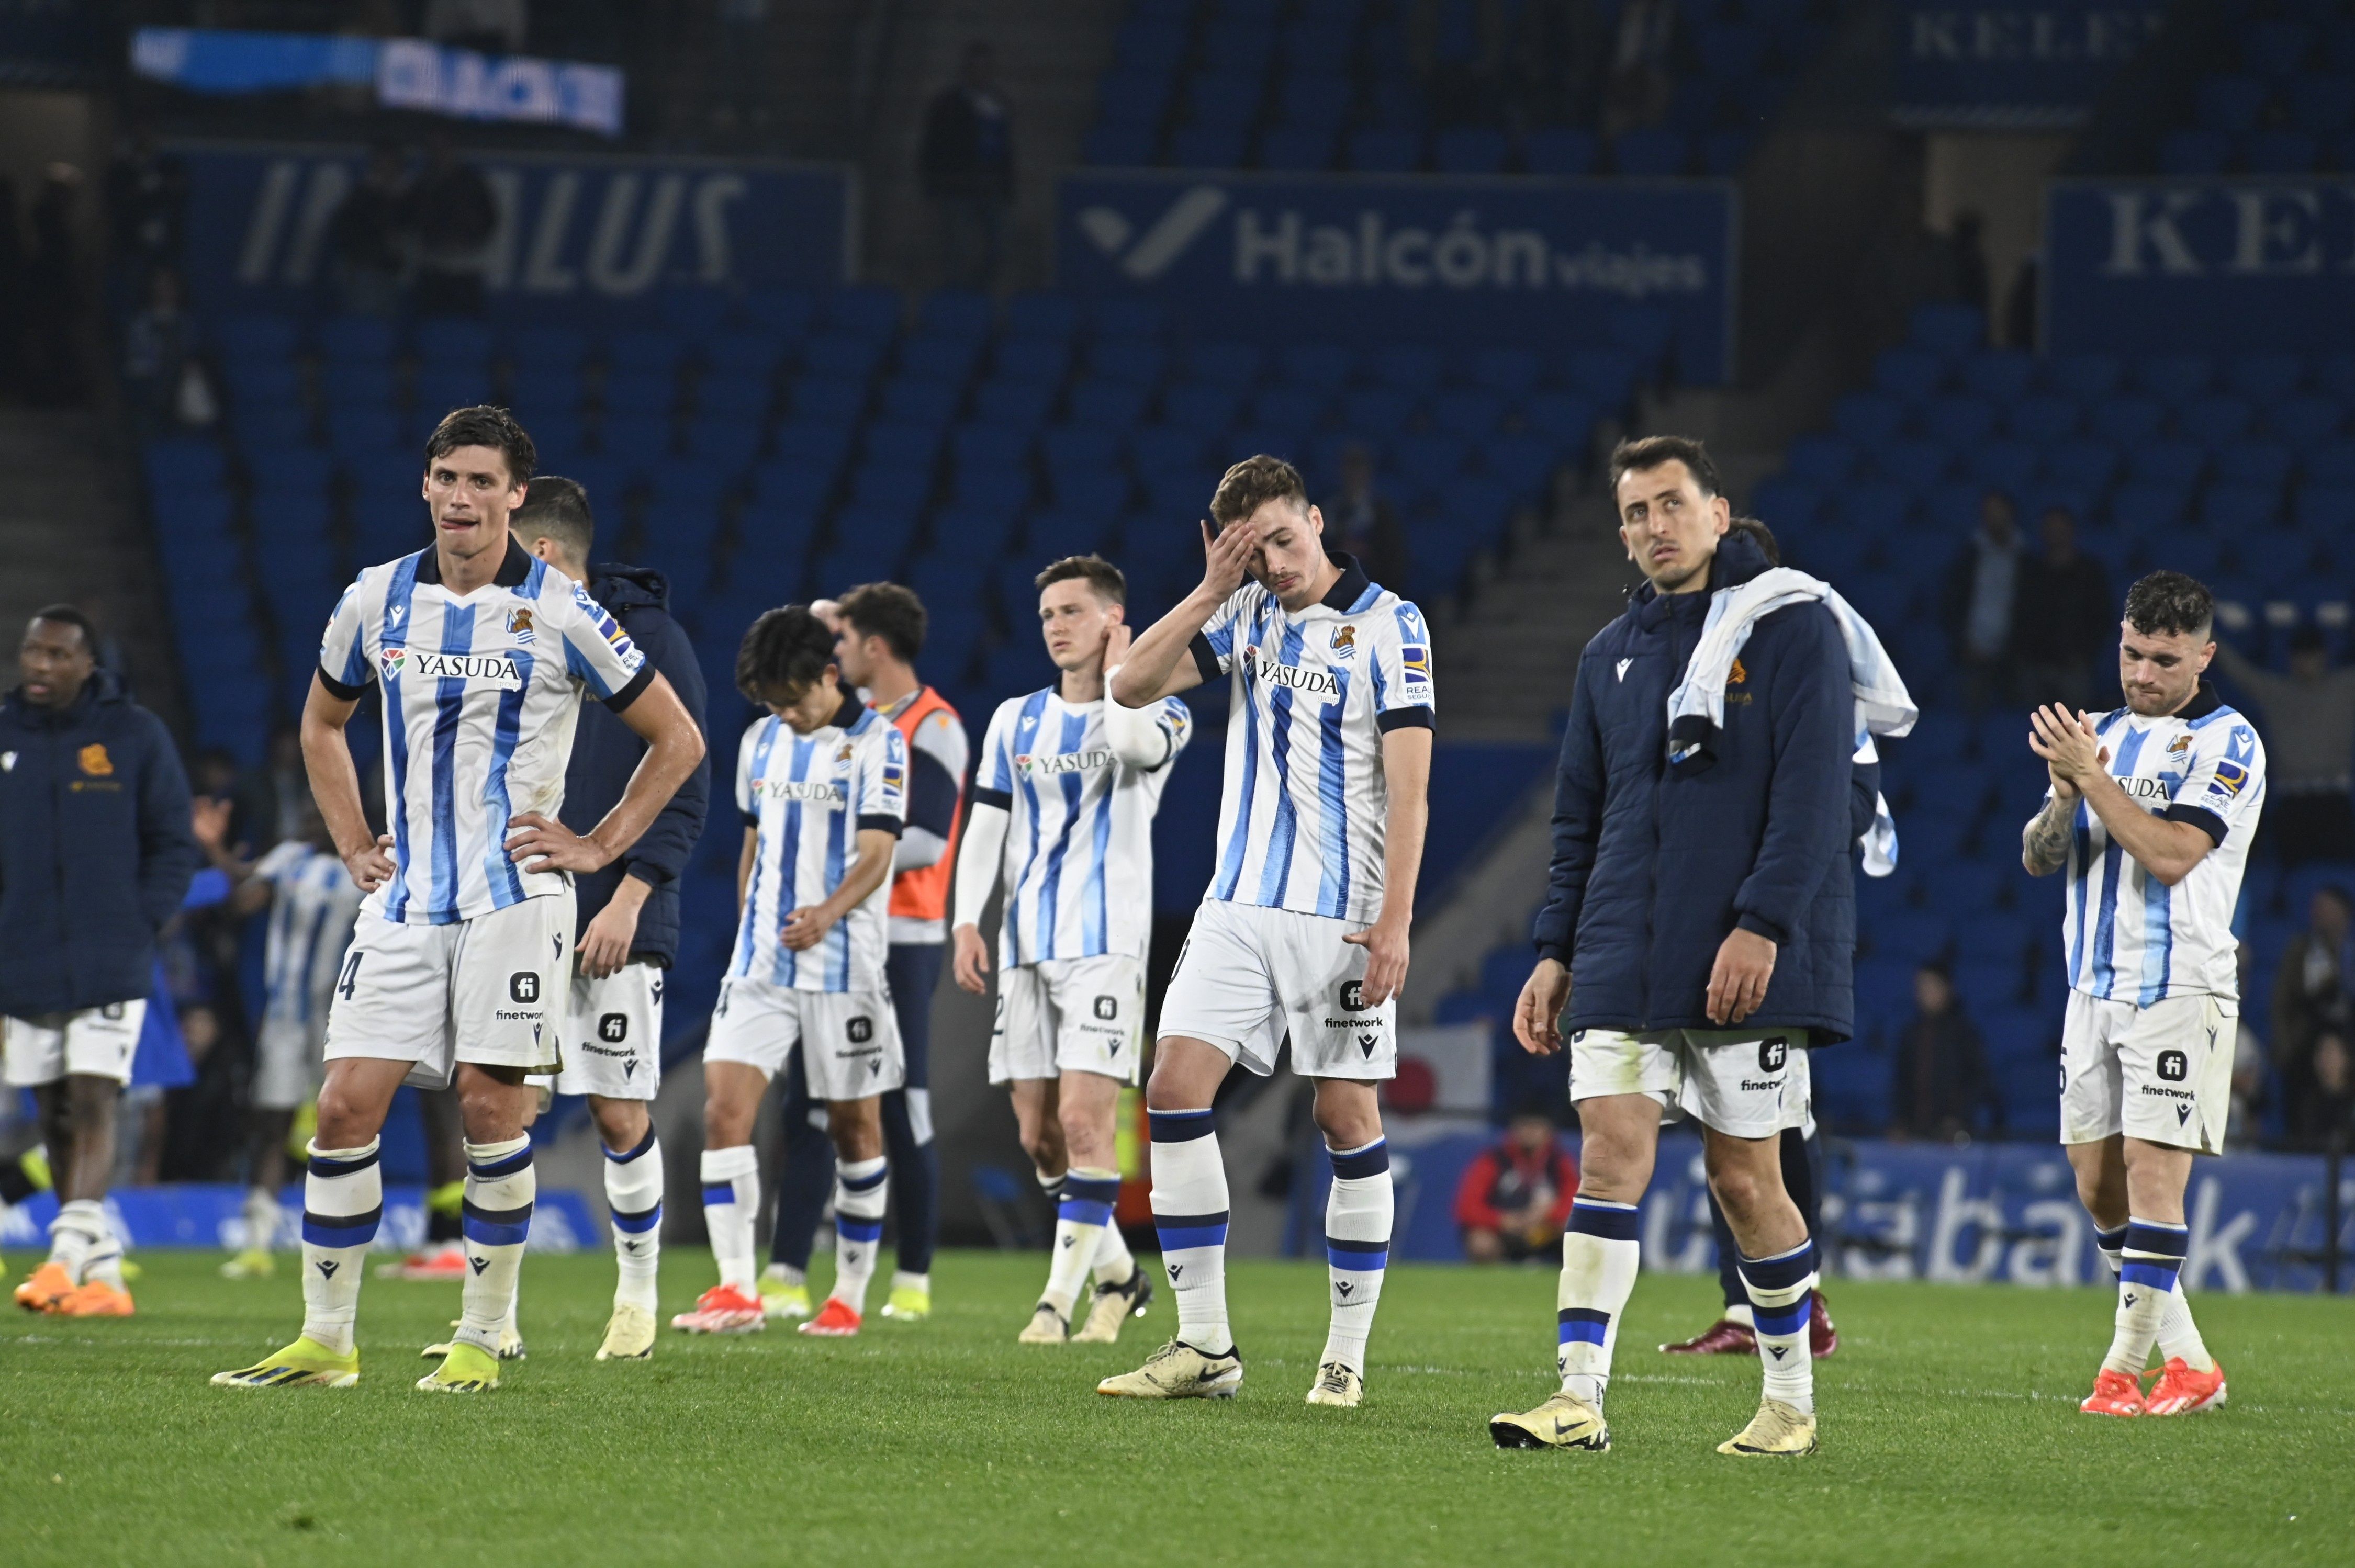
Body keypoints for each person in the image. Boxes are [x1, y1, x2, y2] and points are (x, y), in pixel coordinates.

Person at [209, 405, 704, 1394]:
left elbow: (679, 738)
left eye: (483, 482)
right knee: (345, 1105)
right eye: (447, 478)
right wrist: (352, 840)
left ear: (518, 497)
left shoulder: (564, 611)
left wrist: (599, 843)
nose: (462, 498)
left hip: (518, 898)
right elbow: (320, 724)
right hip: (405, 900)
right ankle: (328, 1341)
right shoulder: (377, 597)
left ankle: (483, 1336)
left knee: (491, 1107)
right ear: (426, 486)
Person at [1492, 434, 1871, 1458]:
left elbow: (1813, 796)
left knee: (1745, 1179)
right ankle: (1578, 1397)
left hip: (1742, 957)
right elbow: (1583, 818)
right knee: (1609, 1155)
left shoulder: (1796, 630)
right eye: (1634, 512)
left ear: (1717, 510)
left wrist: (1763, 923)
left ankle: (1789, 1400)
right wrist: (1554, 947)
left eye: (1670, 504)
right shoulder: (1610, 651)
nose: (1652, 526)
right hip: (1622, 949)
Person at [1097, 454, 1434, 1410]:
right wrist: (1211, 586)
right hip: (1237, 904)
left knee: (1344, 1116)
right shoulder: (1240, 614)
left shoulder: (1390, 624)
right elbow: (1128, 685)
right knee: (1172, 1086)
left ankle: (1345, 1355)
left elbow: (1411, 788)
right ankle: (1205, 1342)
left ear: (1318, 521)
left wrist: (1397, 919)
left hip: (1344, 918)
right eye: (1257, 549)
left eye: (1285, 540)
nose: (1277, 562)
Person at [2021, 570, 2262, 1419]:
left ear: (2204, 655)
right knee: (2099, 1187)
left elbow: (2169, 854)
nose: (2144, 674)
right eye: (2132, 653)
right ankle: (2191, 1362)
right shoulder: (2102, 735)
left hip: (2179, 988)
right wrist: (2060, 795)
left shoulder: (2229, 742)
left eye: (2165, 659)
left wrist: (2091, 778)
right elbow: (2040, 857)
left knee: (2154, 1181)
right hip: (2093, 989)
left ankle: (2121, 1371)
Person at [949, 554, 1189, 1343]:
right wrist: (965, 919)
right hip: (1025, 945)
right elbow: (987, 822)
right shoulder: (1015, 719)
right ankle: (1120, 1276)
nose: (1056, 626)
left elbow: (1125, 746)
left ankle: (1057, 1302)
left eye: (1074, 612)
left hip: (1106, 947)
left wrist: (1126, 669)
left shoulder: (1160, 713)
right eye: (1049, 613)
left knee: (1086, 1123)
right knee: (1037, 1134)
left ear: (1114, 620)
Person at [513, 476, 711, 1360]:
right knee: (503, 1106)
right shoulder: (506, 637)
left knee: (617, 1110)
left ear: (544, 552)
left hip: (613, 917)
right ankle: (495, 1313)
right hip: (516, 910)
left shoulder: (651, 640)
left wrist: (632, 895)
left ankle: (635, 1298)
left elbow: (686, 779)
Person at [671, 607, 909, 1339]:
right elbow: (753, 842)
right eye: (771, 701)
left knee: (853, 1125)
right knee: (724, 1110)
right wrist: (751, 919)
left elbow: (877, 852)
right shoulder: (759, 742)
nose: (783, 712)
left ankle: (849, 1295)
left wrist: (828, 915)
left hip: (844, 965)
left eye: (792, 698)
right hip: (764, 963)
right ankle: (738, 1288)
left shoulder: (880, 745)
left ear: (830, 676)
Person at [762, 583, 965, 1325]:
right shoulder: (848, 724)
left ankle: (911, 1278)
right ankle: (785, 1271)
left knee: (899, 1103)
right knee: (809, 1100)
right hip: (838, 931)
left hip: (904, 938)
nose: (833, 654)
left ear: (874, 648)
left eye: (844, 642)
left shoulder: (933, 725)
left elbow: (929, 840)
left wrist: (837, 852)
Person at [4, 606, 199, 1318]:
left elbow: (174, 843)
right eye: (33, 652)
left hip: (110, 952)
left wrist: (137, 921)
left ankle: (61, 1255)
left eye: (58, 655)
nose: (40, 667)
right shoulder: (6, 734)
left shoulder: (132, 736)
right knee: (53, 1108)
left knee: (93, 1094)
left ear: (89, 665)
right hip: (23, 956)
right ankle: (106, 1276)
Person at [195, 799, 365, 1282]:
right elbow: (242, 895)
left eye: (321, 817)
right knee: (271, 1120)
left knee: (350, 1124)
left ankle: (346, 1239)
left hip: (345, 1018)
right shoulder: (289, 858)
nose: (312, 825)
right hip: (286, 1015)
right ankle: (257, 1242)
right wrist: (215, 850)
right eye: (307, 817)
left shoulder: (369, 865)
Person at [2213, 626, 2355, 864]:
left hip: (2334, 803)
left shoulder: (2344, 688)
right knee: (2292, 880)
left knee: (2339, 878)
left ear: (2324, 657)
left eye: (2312, 656)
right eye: (2300, 656)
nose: (2306, 662)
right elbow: (2237, 670)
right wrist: (2207, 630)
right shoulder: (2277, 692)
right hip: (2292, 804)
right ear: (2291, 659)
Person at [919, 41, 1015, 291]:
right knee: (958, 250)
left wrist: (1009, 186)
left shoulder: (999, 102)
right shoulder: (947, 103)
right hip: (957, 186)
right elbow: (932, 146)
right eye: (976, 66)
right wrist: (933, 183)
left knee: (999, 248)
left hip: (991, 184)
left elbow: (1006, 147)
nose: (981, 72)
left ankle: (978, 293)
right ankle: (957, 302)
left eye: (986, 67)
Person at [2014, 508, 2111, 711]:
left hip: (2074, 666)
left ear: (2072, 531)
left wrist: (2084, 654)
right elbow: (2021, 615)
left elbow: (2101, 616)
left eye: (2061, 528)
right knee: (2032, 727)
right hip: (2034, 664)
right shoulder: (2031, 572)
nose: (2056, 534)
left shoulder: (2090, 572)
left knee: (2077, 726)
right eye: (2051, 528)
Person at [1886, 962, 1994, 1142]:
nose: (1925, 993)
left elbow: (1978, 1080)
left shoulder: (1965, 1035)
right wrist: (1900, 1121)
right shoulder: (1910, 1034)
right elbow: (1901, 1081)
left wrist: (1958, 1118)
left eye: (1931, 986)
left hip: (1955, 1132)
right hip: (1915, 1130)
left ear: (1947, 989)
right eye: (1921, 986)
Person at [1455, 1109, 1579, 1263]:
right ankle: (1493, 1281)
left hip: (1545, 1229)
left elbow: (1575, 1202)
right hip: (1504, 1230)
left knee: (1575, 1229)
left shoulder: (1559, 1163)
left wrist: (1547, 1215)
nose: (1530, 1133)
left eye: (1536, 1127)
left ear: (1549, 1131)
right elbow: (1468, 1207)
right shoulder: (1493, 1161)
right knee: (1481, 1242)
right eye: (1524, 1126)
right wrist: (1503, 1220)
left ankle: (1567, 1277)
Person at [1940, 490, 2023, 713]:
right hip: (1973, 651)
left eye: (2000, 511)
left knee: (2015, 720)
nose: (1995, 517)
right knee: (1971, 712)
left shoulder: (2026, 558)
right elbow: (1952, 602)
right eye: (1990, 512)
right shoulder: (1967, 557)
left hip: (2016, 654)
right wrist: (1962, 641)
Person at [2270, 885, 2351, 1111]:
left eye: (2326, 907)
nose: (2318, 913)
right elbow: (2284, 1002)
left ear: (2343, 912)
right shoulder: (2300, 950)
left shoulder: (2350, 952)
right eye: (2316, 907)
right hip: (2307, 1038)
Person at [402, 137, 497, 318]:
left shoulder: (472, 182)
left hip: (465, 267)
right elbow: (410, 217)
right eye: (436, 149)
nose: (441, 153)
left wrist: (468, 242)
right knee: (430, 324)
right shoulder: (423, 183)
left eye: (445, 148)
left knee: (465, 324)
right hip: (432, 265)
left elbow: (489, 218)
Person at [326, 144, 412, 317]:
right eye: (383, 165)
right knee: (362, 326)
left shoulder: (402, 199)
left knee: (383, 330)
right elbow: (346, 233)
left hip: (390, 273)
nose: (388, 171)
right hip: (362, 272)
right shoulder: (361, 197)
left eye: (392, 166)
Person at [1320, 443, 1409, 595]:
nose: (1354, 475)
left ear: (1368, 473)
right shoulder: (1325, 509)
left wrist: (1366, 552)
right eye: (1350, 468)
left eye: (1359, 468)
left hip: (1373, 589)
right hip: (1330, 590)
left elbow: (1394, 558)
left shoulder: (1383, 513)